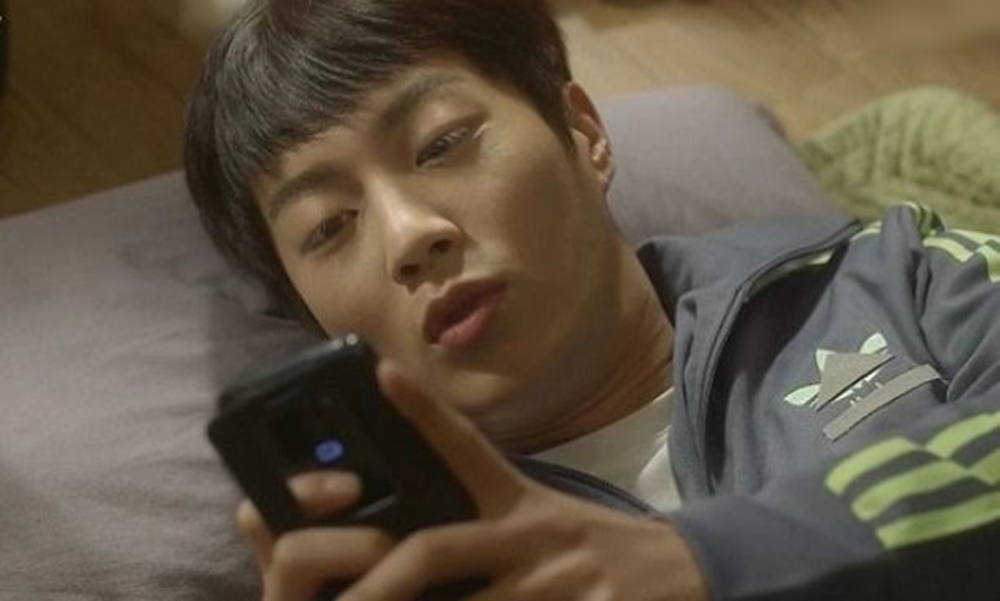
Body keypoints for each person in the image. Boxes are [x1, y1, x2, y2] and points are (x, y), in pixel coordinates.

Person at [183, 0, 1000, 598]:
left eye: (441, 144)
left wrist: (708, 561)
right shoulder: (418, 565)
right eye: (329, 228)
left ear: (584, 132)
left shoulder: (894, 275)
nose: (408, 236)